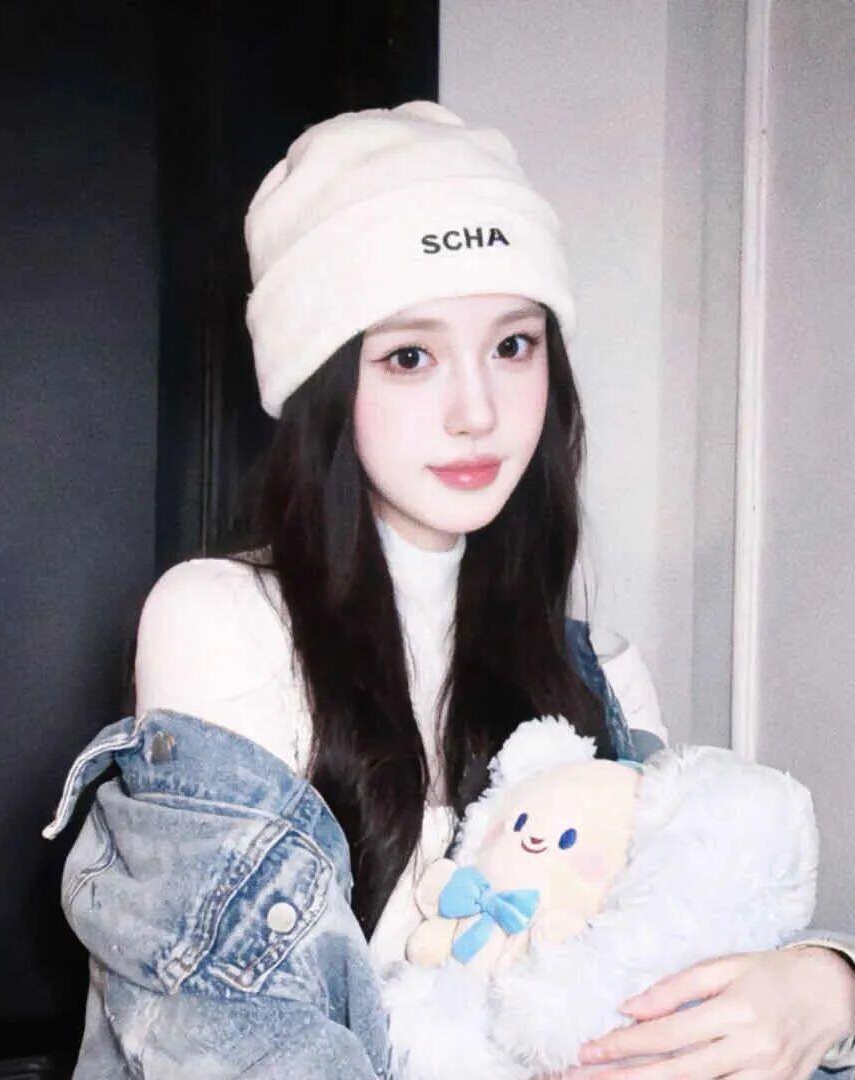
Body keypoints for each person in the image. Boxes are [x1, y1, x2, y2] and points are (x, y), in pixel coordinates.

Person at [46, 100, 855, 1078]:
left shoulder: (599, 677)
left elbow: (679, 956)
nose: (477, 410)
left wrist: (826, 984)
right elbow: (232, 1039)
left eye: (513, 346)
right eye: (410, 356)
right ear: (323, 383)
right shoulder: (218, 619)